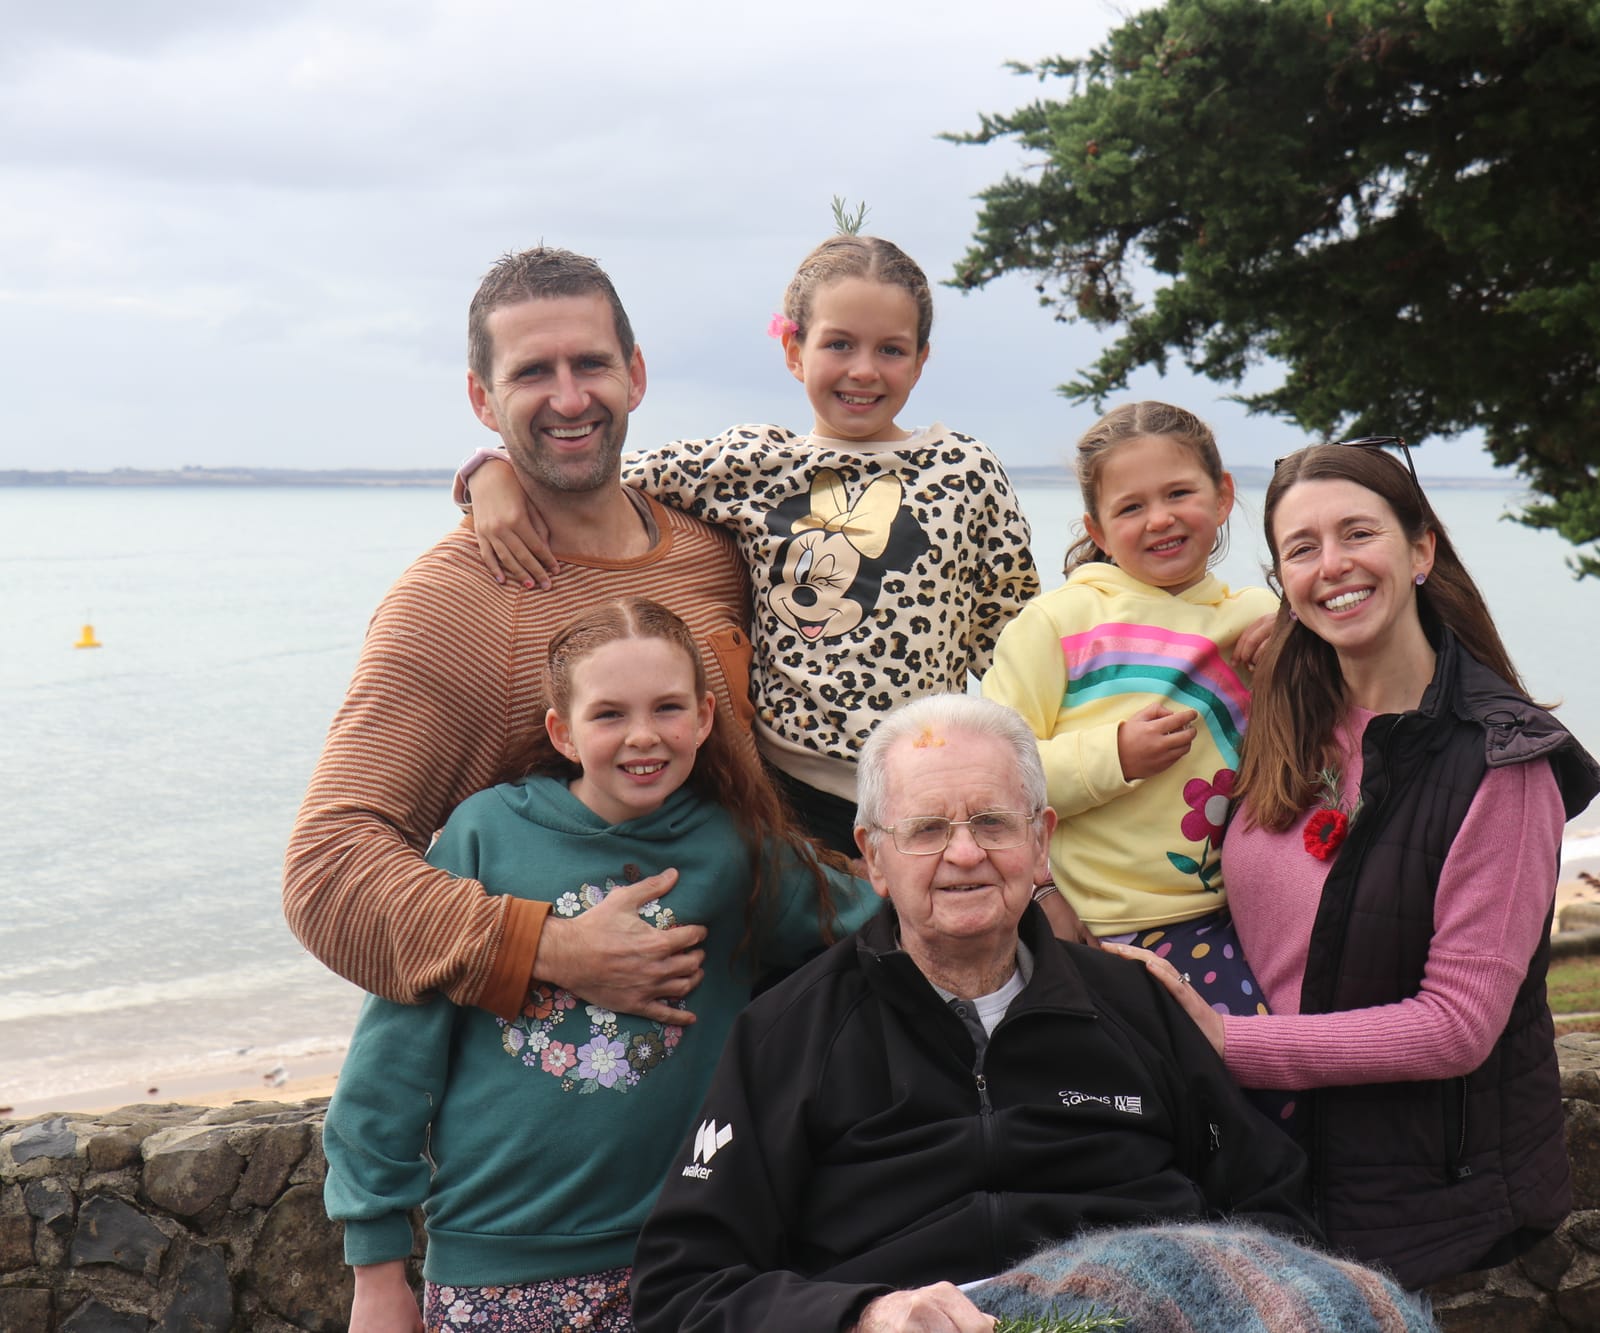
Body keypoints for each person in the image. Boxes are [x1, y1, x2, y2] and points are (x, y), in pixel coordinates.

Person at [627, 695, 1330, 1333]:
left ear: (1040, 841)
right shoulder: (786, 1032)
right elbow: (681, 1288)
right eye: (927, 828)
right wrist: (860, 1315)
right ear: (874, 855)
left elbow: (1275, 1209)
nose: (964, 854)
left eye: (992, 821)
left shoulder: (1134, 1003)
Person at [1122, 440, 1600, 1290]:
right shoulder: (1285, 714)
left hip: (1405, 1191)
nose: (1332, 565)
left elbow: (1457, 1023)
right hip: (1269, 1163)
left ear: (1420, 549)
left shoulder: (1503, 762)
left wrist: (1228, 1043)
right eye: (1301, 549)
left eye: (1358, 534)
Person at [324, 598, 877, 1333]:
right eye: (609, 713)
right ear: (563, 730)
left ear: (707, 718)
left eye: (668, 707)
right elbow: (391, 1059)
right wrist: (376, 1271)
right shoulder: (485, 834)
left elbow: (880, 916)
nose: (642, 736)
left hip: (687, 1258)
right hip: (496, 1261)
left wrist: (1025, 883)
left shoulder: (733, 849)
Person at [285, 246, 752, 1027]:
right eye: (533, 372)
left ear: (635, 374)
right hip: (560, 1103)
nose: (569, 399)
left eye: (591, 364)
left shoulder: (716, 550)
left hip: (752, 1055)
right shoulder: (453, 601)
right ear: (482, 397)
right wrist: (552, 948)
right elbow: (329, 868)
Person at [457, 233, 1040, 853]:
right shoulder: (754, 463)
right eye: (839, 344)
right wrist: (488, 472)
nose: (864, 369)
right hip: (787, 795)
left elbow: (1015, 645)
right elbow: (594, 469)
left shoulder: (966, 472)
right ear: (794, 349)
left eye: (890, 350)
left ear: (922, 359)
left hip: (927, 783)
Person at [982, 401, 1280, 1022]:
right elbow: (992, 772)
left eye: (1179, 492)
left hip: (1228, 919)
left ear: (1223, 496)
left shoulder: (1257, 617)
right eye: (1131, 507)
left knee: (1236, 1088)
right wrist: (1112, 755)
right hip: (1084, 925)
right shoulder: (1057, 624)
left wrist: (1298, 626)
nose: (1161, 519)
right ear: (1097, 529)